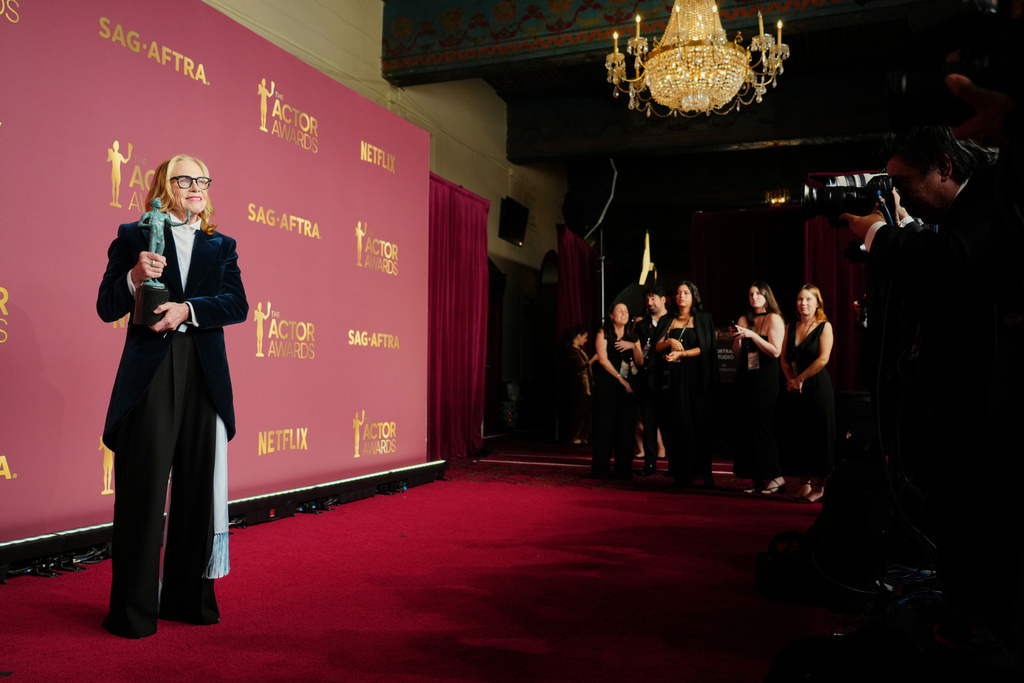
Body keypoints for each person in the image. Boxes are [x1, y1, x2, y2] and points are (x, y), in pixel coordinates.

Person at [841, 126, 1019, 650]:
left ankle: (981, 633)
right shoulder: (954, 215)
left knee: (977, 522)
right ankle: (963, 621)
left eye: (904, 181)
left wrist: (878, 234)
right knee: (956, 519)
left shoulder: (990, 195)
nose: (895, 192)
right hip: (950, 399)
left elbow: (955, 260)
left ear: (945, 167)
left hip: (979, 401)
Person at [96, 154, 249, 638]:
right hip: (151, 376)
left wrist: (186, 309)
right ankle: (133, 614)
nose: (197, 186)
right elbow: (106, 306)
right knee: (142, 496)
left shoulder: (221, 245)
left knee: (198, 495)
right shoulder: (132, 237)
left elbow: (237, 305)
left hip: (204, 374)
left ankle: (187, 602)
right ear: (164, 186)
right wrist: (134, 278)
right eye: (185, 178)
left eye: (203, 178)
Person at [655, 281, 717, 488]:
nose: (682, 296)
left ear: (693, 296)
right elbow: (656, 347)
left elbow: (706, 349)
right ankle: (681, 473)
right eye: (679, 292)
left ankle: (704, 473)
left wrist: (682, 353)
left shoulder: (703, 318)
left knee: (698, 424)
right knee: (677, 425)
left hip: (696, 377)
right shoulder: (667, 319)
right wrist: (669, 343)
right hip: (673, 377)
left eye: (686, 292)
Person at [778, 285, 834, 503]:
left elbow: (823, 359)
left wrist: (800, 379)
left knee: (819, 434)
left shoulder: (824, 326)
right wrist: (791, 380)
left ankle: (819, 487)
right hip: (795, 386)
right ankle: (805, 484)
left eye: (809, 299)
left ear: (817, 303)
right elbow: (783, 358)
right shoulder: (791, 326)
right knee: (800, 435)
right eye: (800, 299)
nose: (804, 303)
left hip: (817, 386)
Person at [730, 282, 785, 495]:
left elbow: (775, 352)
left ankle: (776, 476)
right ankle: (756, 478)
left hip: (765, 379)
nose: (754, 298)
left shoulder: (774, 318)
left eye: (758, 294)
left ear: (766, 296)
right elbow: (737, 354)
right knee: (747, 426)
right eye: (751, 294)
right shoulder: (745, 319)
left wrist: (752, 335)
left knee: (762, 426)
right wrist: (737, 339)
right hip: (745, 377)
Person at [591, 303, 643, 479]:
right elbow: (603, 360)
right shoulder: (603, 333)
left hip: (628, 385)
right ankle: (600, 469)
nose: (624, 313)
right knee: (605, 427)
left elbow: (641, 362)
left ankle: (623, 470)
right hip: (608, 383)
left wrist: (633, 346)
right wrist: (620, 379)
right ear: (612, 315)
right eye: (619, 311)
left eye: (626, 311)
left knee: (626, 427)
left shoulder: (633, 336)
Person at [634, 285, 671, 475]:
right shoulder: (641, 325)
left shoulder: (673, 321)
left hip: (667, 380)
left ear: (663, 299)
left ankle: (675, 464)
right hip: (646, 380)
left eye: (653, 298)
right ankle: (650, 463)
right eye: (647, 299)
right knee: (648, 424)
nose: (649, 303)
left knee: (669, 423)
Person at [565, 324, 593, 445]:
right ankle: (575, 436)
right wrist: (594, 360)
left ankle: (582, 436)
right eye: (585, 337)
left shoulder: (579, 350)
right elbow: (581, 365)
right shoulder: (572, 350)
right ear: (579, 336)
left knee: (585, 413)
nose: (586, 340)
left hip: (586, 386)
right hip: (579, 386)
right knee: (579, 413)